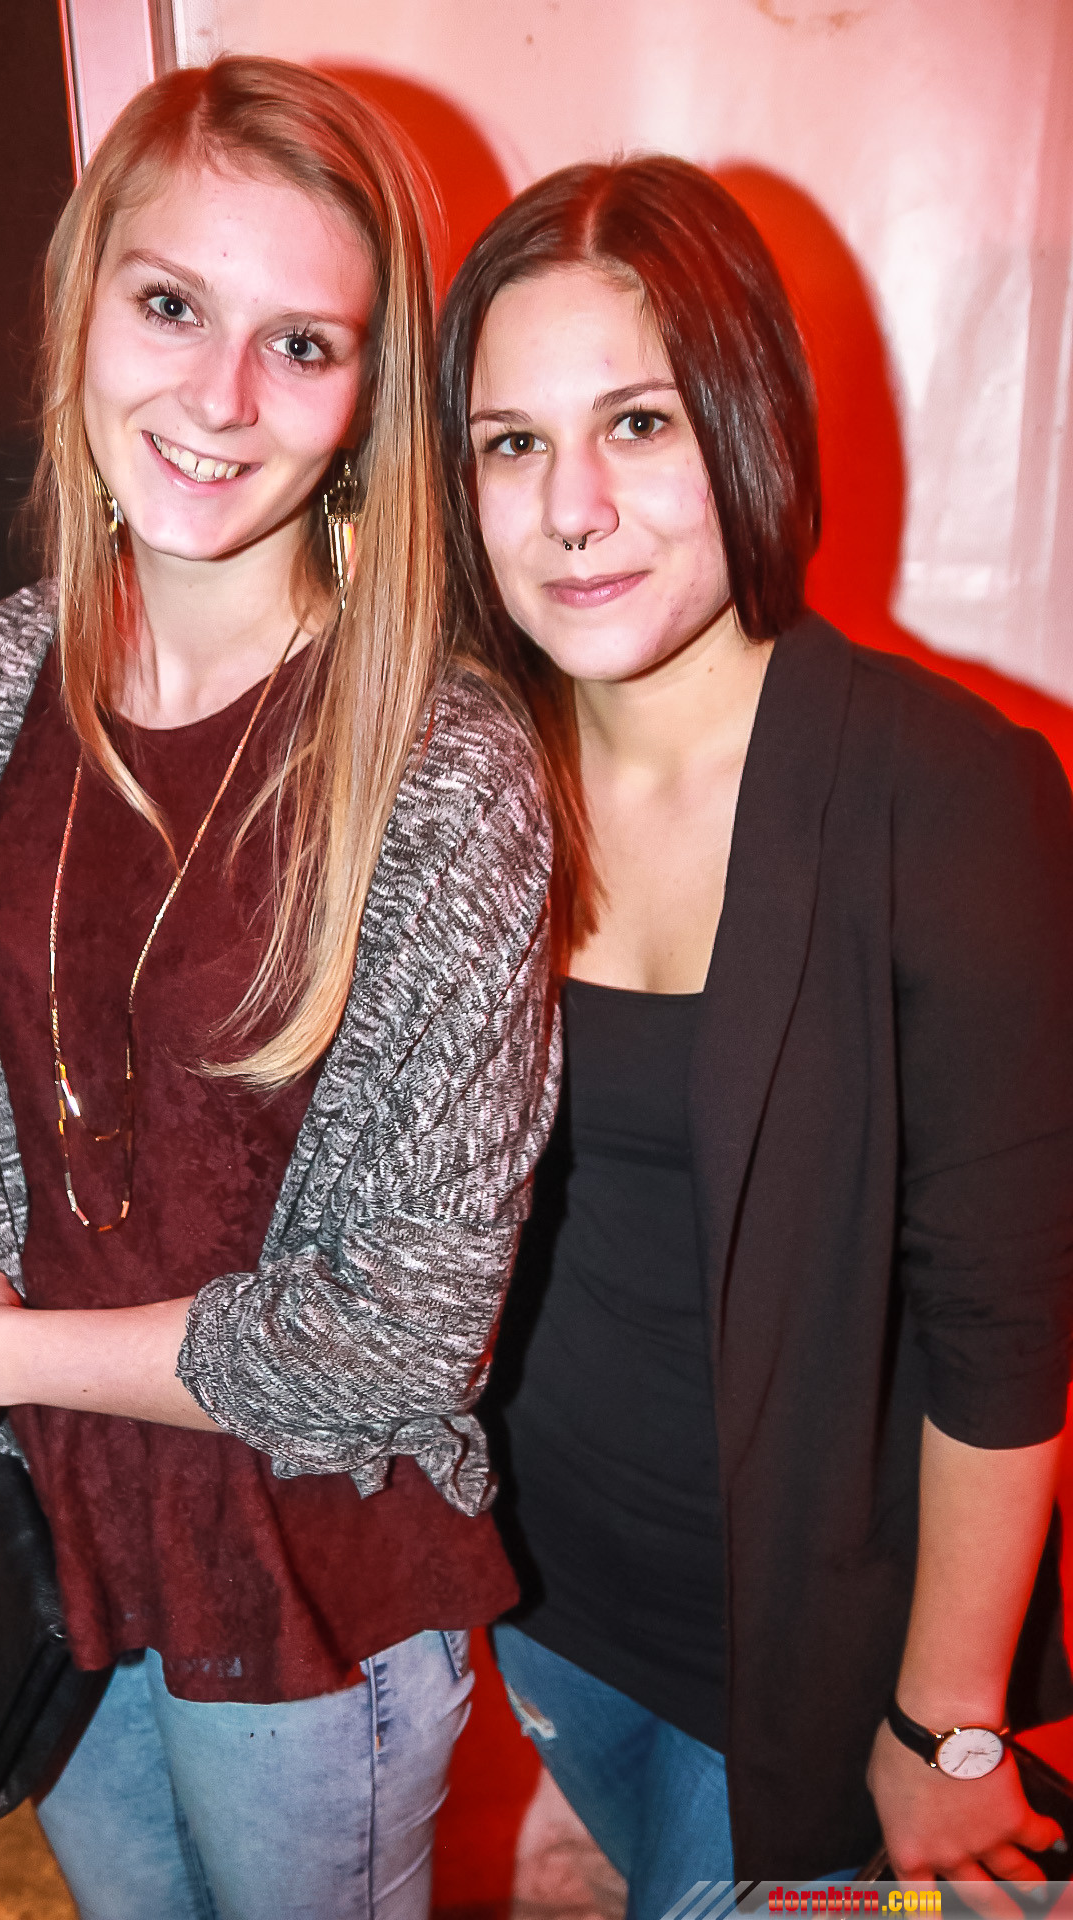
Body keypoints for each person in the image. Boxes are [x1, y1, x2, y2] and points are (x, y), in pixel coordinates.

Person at [0, 58, 560, 1920]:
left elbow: (404, 1338)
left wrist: (3, 1358)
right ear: (83, 302)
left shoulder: (442, 768)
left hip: (310, 1577)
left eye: (301, 344)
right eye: (171, 306)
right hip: (57, 1541)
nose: (221, 400)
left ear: (370, 396)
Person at [436, 156, 1073, 1906]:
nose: (572, 509)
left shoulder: (953, 797)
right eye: (511, 443)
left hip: (826, 1680)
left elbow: (1007, 1328)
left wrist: (949, 1720)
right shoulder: (469, 775)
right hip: (548, 1612)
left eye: (637, 424)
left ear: (748, 418)